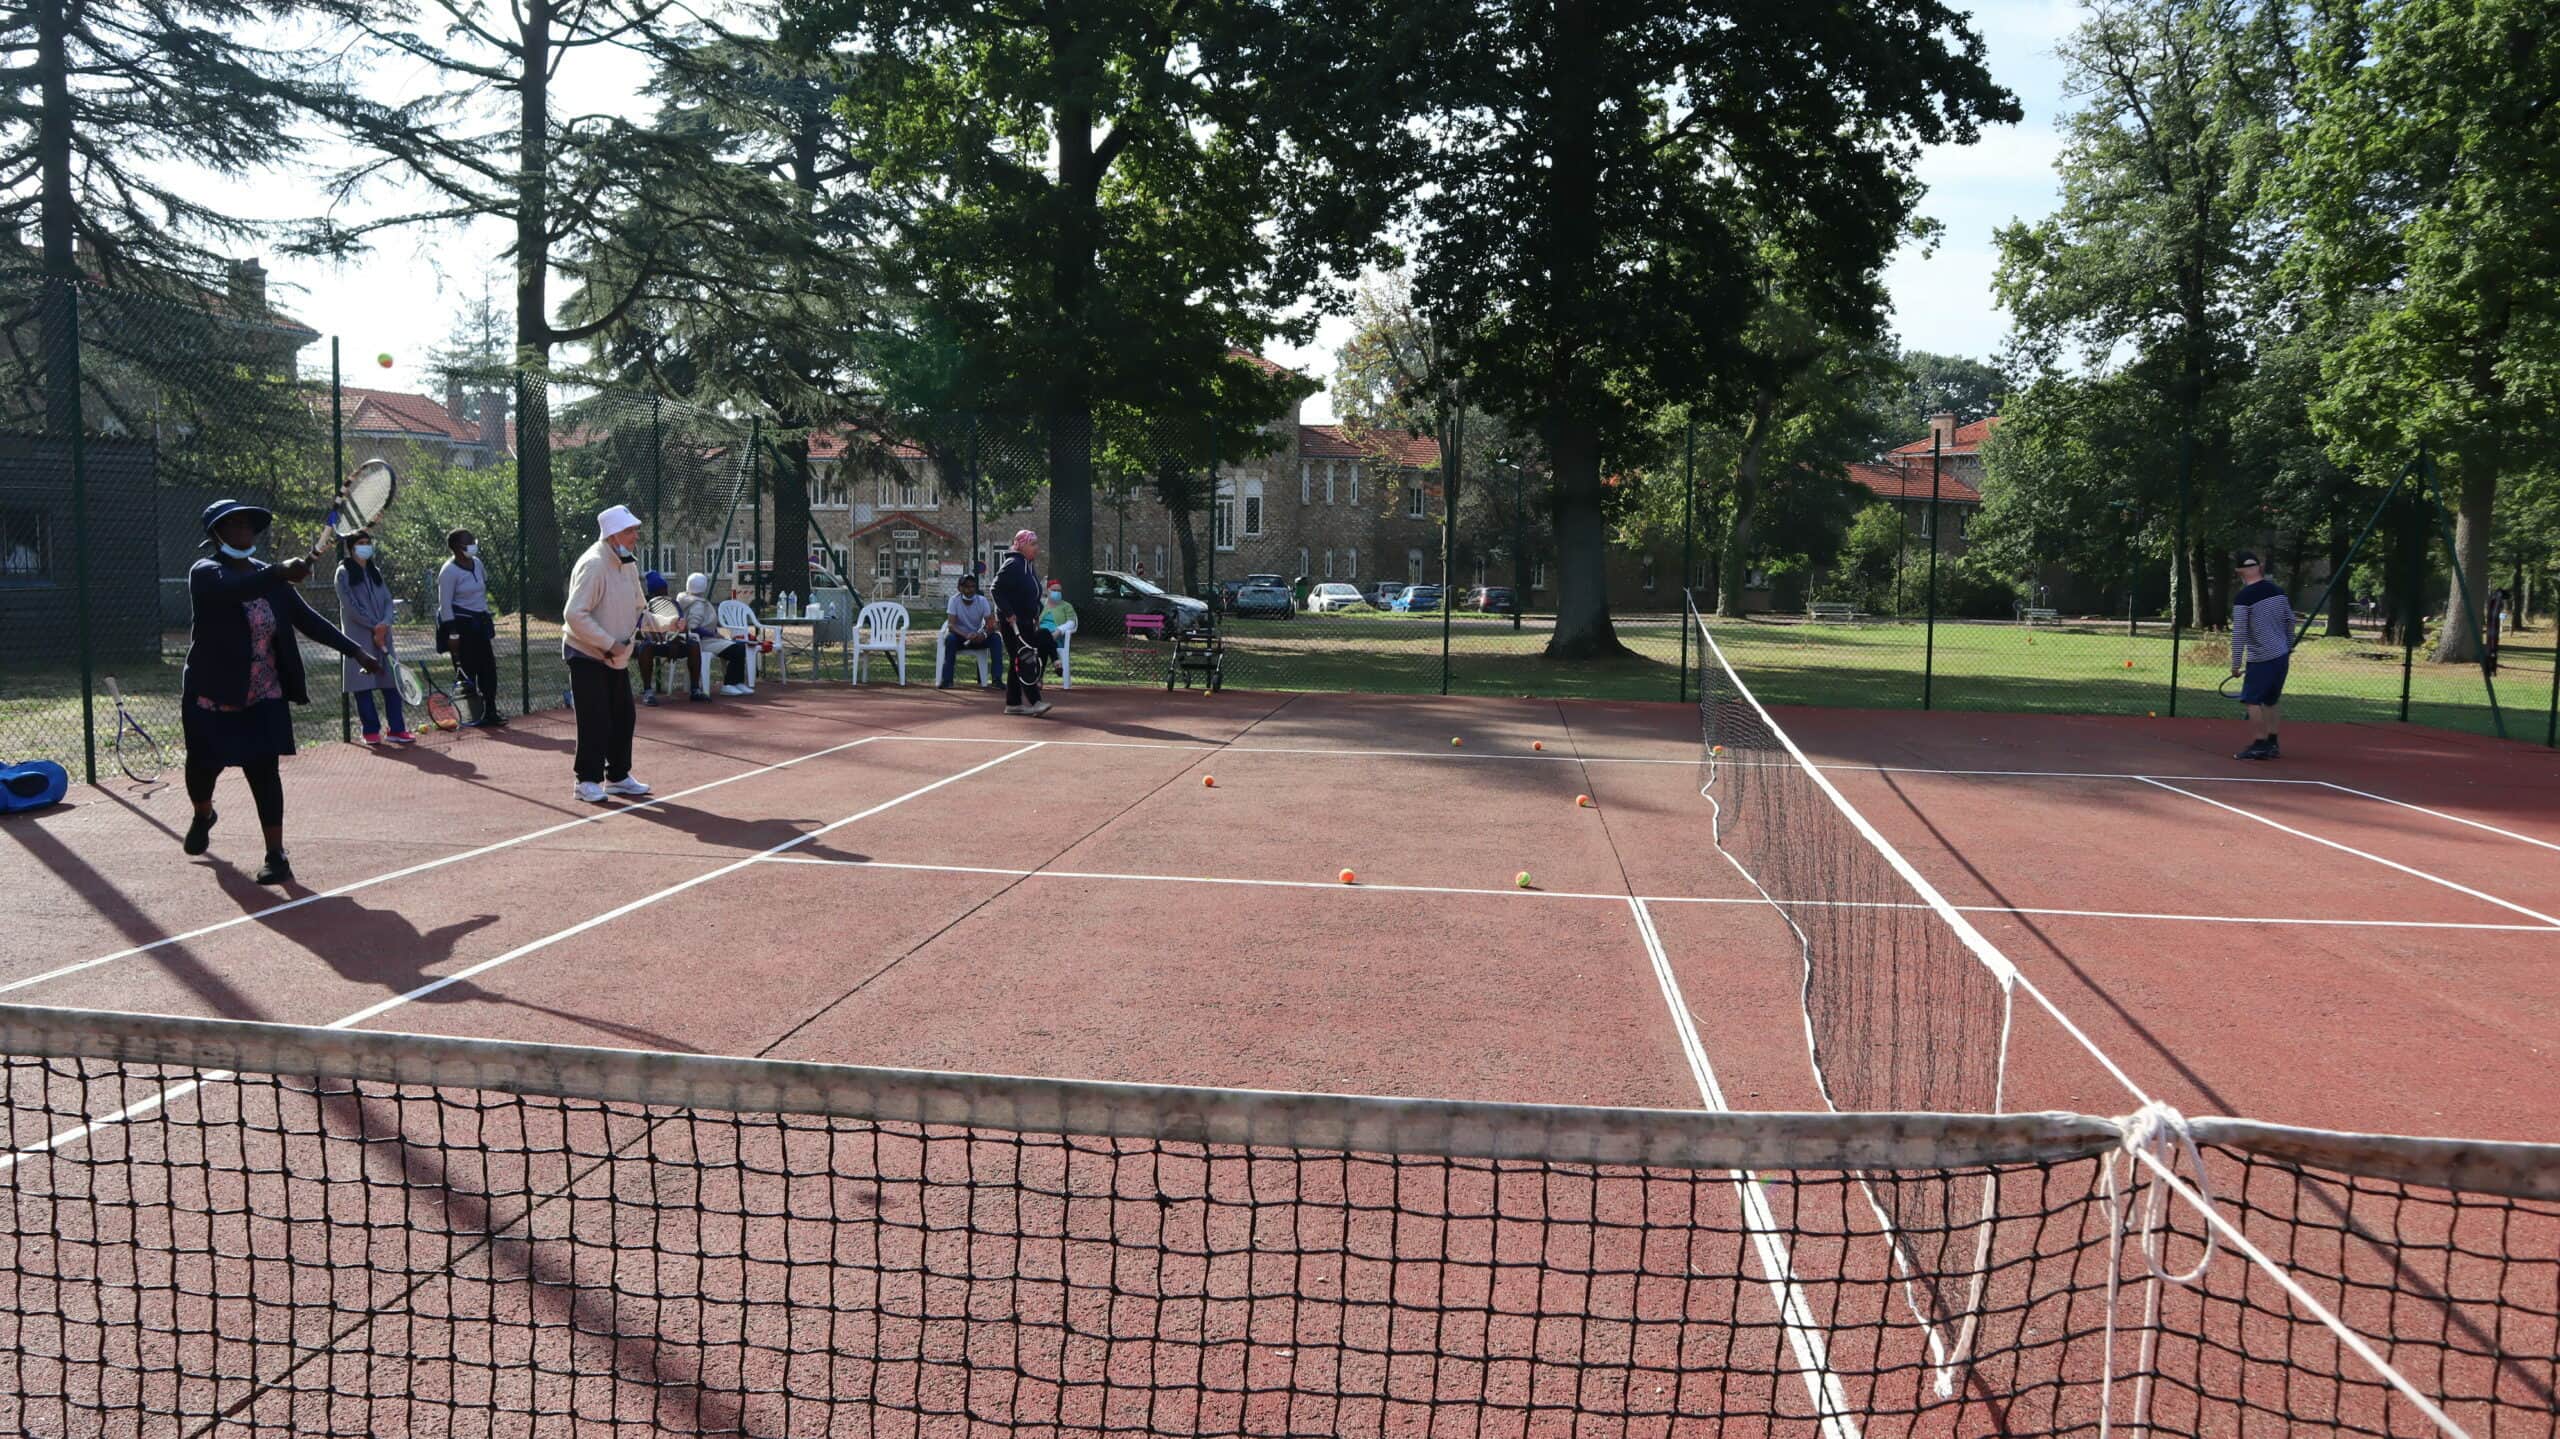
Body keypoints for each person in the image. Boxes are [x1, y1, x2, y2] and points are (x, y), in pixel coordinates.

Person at [180, 499, 382, 883]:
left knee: (264, 771)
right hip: (212, 694)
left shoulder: (268, 577)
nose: (243, 531)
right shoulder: (205, 572)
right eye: (233, 525)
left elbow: (306, 619)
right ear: (216, 534)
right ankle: (203, 814)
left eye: (248, 525)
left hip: (263, 693)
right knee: (203, 769)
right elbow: (233, 590)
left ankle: (276, 854)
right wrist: (279, 572)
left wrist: (356, 650)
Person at [562, 504, 667, 802]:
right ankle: (586, 781)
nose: (635, 535)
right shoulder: (593, 564)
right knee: (595, 718)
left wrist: (667, 623)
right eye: (629, 531)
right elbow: (574, 614)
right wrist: (609, 643)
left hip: (615, 656)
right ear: (612, 535)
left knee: (623, 716)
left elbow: (639, 611)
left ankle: (618, 776)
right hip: (585, 653)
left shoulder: (628, 563)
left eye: (635, 530)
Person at [333, 530, 413, 746]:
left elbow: (388, 600)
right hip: (359, 637)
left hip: (383, 635)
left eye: (368, 542)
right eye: (361, 543)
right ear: (351, 548)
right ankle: (371, 731)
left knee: (392, 683)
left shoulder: (374, 571)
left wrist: (384, 624)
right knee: (363, 685)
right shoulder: (343, 573)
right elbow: (351, 607)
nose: (366, 546)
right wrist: (373, 626)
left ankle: (397, 729)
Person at [2229, 551, 2296, 761]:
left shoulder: (2243, 597)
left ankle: (2259, 743)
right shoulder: (2278, 591)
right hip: (2281, 655)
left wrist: (2235, 663)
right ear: (2259, 567)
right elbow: (2290, 620)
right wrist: (2288, 645)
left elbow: (2239, 632)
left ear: (2238, 571)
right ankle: (2272, 743)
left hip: (2261, 657)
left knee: (2252, 700)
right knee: (2271, 700)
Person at [437, 528, 503, 727]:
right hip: (461, 626)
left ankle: (490, 710)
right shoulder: (448, 571)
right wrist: (452, 632)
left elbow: (482, 589)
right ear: (458, 547)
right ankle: (473, 713)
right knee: (467, 670)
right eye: (469, 541)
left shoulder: (477, 564)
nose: (474, 543)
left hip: (480, 624)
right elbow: (445, 604)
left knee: (488, 670)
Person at [991, 529, 1056, 717]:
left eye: (1036, 544)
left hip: (1027, 620)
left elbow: (1032, 592)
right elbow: (996, 589)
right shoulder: (1013, 564)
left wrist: (1037, 611)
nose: (1036, 548)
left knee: (1016, 660)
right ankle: (1036, 702)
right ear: (1022, 545)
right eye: (1033, 544)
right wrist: (1008, 613)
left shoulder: (1027, 565)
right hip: (1012, 623)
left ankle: (1013, 703)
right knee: (1024, 659)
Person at [634, 570, 702, 706]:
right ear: (652, 593)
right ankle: (648, 692)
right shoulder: (644, 606)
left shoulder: (673, 604)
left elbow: (682, 626)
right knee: (645, 647)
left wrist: (677, 637)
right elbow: (640, 631)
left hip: (672, 643)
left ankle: (695, 690)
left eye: (665, 589)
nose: (665, 593)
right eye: (661, 590)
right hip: (652, 644)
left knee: (694, 646)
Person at [680, 572, 753, 695]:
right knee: (737, 649)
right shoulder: (697, 604)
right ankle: (729, 684)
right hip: (701, 642)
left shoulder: (690, 599)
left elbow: (704, 623)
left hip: (707, 640)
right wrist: (713, 635)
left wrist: (715, 633)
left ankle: (737, 682)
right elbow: (693, 627)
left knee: (739, 645)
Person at [938, 572, 1003, 689]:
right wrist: (966, 635)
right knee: (950, 639)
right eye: (967, 587)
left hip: (977, 637)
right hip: (960, 638)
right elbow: (951, 625)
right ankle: (947, 680)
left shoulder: (982, 601)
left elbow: (991, 625)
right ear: (960, 588)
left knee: (996, 639)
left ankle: (996, 679)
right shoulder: (954, 601)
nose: (970, 590)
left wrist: (982, 635)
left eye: (973, 586)